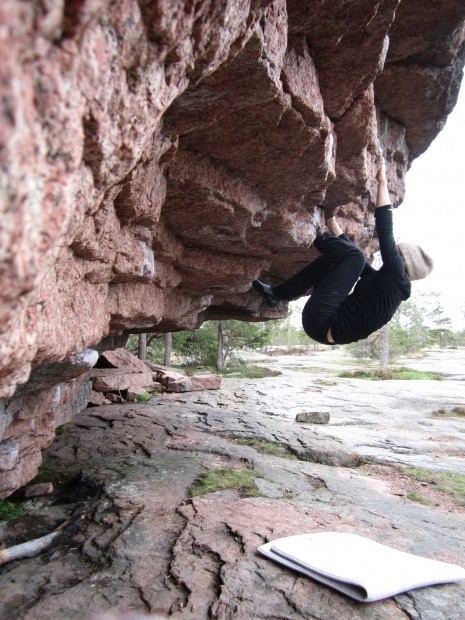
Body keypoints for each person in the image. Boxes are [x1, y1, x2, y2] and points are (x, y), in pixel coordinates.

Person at [253, 157, 433, 346]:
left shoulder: (396, 275)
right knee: (343, 259)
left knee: (354, 257)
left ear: (403, 259)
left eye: (397, 250)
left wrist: (382, 182)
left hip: (322, 323)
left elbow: (385, 228)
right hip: (323, 327)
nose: (393, 249)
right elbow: (356, 262)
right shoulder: (390, 285)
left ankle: (314, 233)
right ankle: (276, 294)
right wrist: (332, 223)